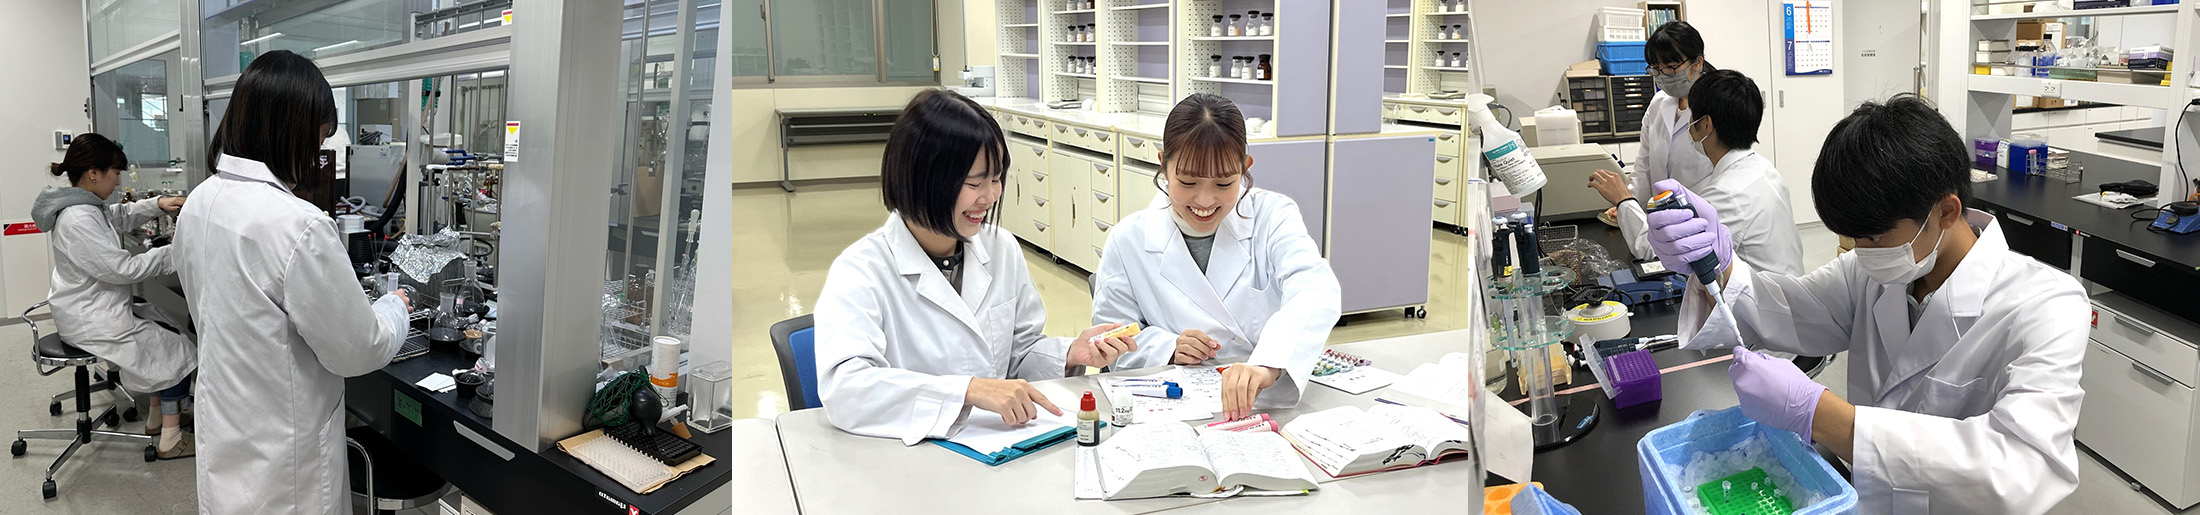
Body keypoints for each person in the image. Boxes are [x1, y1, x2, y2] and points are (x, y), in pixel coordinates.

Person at [1647, 94, 2086, 514]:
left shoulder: (2047, 306)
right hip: (1861, 500)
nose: (1860, 250)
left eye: (1874, 235)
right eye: (1853, 236)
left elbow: (2022, 469)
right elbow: (1789, 308)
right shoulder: (1869, 271)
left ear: (1946, 212)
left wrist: (1820, 414)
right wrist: (1717, 266)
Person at [812, 89, 1137, 444]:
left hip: (995, 446)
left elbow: (1017, 357)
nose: (991, 195)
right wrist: (967, 390)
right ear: (923, 178)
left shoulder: (1001, 249)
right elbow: (846, 389)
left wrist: (1069, 353)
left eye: (996, 179)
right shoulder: (862, 270)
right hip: (908, 454)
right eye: (974, 182)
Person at [174, 50, 410, 514]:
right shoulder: (297, 225)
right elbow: (359, 349)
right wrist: (395, 306)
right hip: (285, 452)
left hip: (227, 422)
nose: (317, 156)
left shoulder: (200, 201)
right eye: (318, 139)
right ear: (291, 133)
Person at [1091, 93, 1340, 421]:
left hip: (1264, 399)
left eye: (1224, 183)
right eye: (1187, 181)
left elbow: (1315, 290)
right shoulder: (1129, 239)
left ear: (1245, 167)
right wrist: (1167, 348)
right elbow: (1111, 337)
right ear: (1163, 165)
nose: (1205, 201)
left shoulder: (1273, 216)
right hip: (1176, 406)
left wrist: (1268, 363)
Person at [33, 133, 197, 459]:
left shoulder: (84, 206)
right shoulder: (78, 219)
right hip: (91, 319)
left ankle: (157, 418)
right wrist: (176, 252)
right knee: (176, 351)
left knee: (165, 326)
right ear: (94, 173)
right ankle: (170, 438)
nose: (119, 181)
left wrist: (157, 204)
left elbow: (116, 217)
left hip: (93, 307)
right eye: (115, 173)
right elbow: (121, 269)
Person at [1637, 69, 1802, 346]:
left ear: (1705, 125)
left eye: (1692, 117)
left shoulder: (1725, 194)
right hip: (1790, 304)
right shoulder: (1762, 168)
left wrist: (1624, 201)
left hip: (1769, 335)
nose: (1689, 126)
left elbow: (1653, 251)